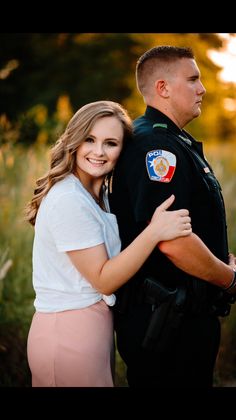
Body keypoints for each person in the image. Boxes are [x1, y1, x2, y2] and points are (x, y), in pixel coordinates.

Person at [25, 100, 192, 387]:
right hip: (67, 333)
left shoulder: (97, 194)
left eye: (111, 143)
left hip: (91, 330)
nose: (99, 152)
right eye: (89, 139)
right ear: (74, 141)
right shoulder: (69, 199)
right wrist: (154, 232)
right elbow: (103, 279)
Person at [109, 46, 236, 388]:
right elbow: (171, 241)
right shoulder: (155, 146)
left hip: (182, 321)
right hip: (166, 325)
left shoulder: (171, 140)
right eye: (193, 79)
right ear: (163, 88)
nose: (203, 88)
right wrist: (229, 279)